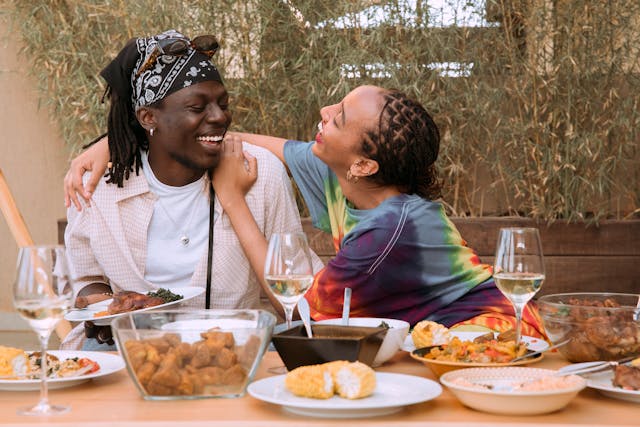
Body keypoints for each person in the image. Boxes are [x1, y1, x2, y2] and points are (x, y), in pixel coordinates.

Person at [65, 85, 545, 338]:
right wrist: (120, 141)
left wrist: (232, 199)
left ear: (363, 162)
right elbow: (234, 139)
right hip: (434, 345)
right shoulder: (342, 176)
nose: (324, 110)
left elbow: (306, 308)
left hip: (495, 339)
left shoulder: (391, 230)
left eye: (337, 118)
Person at [61, 29, 318, 350]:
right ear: (148, 116)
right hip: (132, 349)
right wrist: (102, 308)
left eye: (223, 104)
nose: (220, 116)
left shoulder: (260, 171)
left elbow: (297, 300)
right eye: (198, 108)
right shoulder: (97, 184)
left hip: (240, 349)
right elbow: (88, 280)